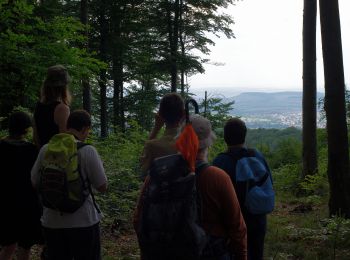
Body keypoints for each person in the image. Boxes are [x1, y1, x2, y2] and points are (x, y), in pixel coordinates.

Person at [134, 114, 247, 260]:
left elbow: (138, 219)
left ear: (180, 141)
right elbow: (237, 228)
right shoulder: (217, 177)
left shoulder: (157, 174)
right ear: (208, 144)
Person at [31, 110, 107, 260]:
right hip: (84, 221)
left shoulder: (46, 149)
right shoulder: (88, 151)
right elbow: (102, 186)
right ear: (85, 128)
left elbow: (34, 182)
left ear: (67, 126)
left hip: (51, 221)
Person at [213, 118, 272, 260]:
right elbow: (269, 182)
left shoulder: (220, 162)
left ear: (225, 138)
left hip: (233, 220)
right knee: (256, 252)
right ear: (244, 135)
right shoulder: (257, 155)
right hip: (258, 217)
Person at [0, 111, 42, 260]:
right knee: (25, 248)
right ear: (27, 129)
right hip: (28, 205)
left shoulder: (1, 147)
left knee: (7, 246)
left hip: (5, 204)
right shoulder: (32, 150)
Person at [140, 92, 185, 178]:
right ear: (183, 114)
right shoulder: (191, 143)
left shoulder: (153, 146)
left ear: (160, 115)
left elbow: (143, 168)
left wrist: (156, 128)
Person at [33, 64, 71, 148]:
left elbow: (35, 137)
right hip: (55, 156)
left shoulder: (39, 105)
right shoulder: (62, 108)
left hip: (41, 154)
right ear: (64, 87)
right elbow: (64, 140)